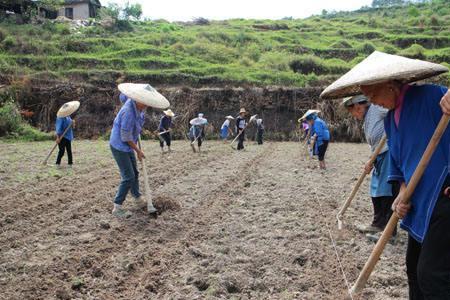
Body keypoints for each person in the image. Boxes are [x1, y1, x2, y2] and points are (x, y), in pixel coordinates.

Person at [321, 51, 450, 299]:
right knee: (414, 269)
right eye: (367, 96)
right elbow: (399, 162)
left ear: (391, 85)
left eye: (373, 94)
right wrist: (402, 192)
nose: (372, 101)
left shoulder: (432, 96)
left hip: (444, 195)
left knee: (433, 275)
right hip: (420, 203)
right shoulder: (391, 119)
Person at [110, 83, 170, 218]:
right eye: (145, 102)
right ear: (139, 100)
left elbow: (122, 97)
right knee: (128, 177)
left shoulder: (136, 105)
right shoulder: (128, 113)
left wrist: (136, 148)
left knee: (135, 173)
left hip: (128, 145)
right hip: (119, 146)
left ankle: (137, 198)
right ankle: (117, 207)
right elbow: (125, 137)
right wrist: (138, 151)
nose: (147, 105)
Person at [343, 95, 398, 239]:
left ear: (358, 107)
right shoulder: (367, 119)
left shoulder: (377, 107)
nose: (354, 115)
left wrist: (392, 125)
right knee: (375, 190)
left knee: (386, 191)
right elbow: (374, 143)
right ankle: (377, 224)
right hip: (378, 155)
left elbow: (396, 111)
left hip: (389, 152)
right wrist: (370, 161)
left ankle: (389, 231)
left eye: (353, 112)